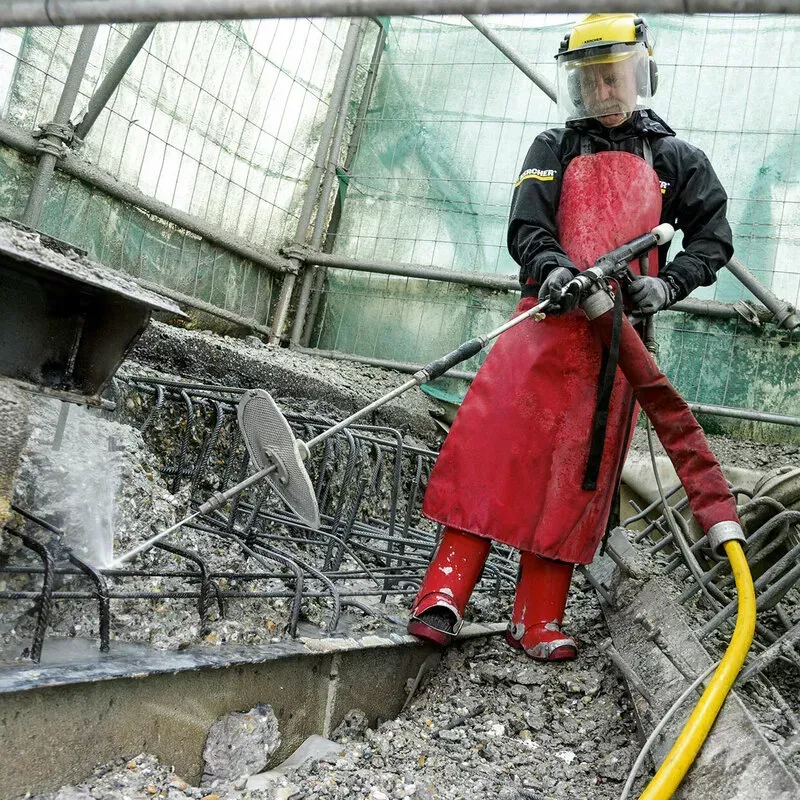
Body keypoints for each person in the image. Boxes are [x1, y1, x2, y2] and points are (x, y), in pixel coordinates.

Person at [407, 13, 733, 662]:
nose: (601, 92)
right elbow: (528, 225)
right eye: (588, 81)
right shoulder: (551, 150)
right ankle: (442, 594)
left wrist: (666, 287)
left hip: (613, 355)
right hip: (543, 325)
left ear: (639, 75)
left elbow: (713, 239)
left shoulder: (675, 161)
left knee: (571, 483)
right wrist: (554, 268)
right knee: (494, 455)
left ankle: (537, 618)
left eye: (612, 77)